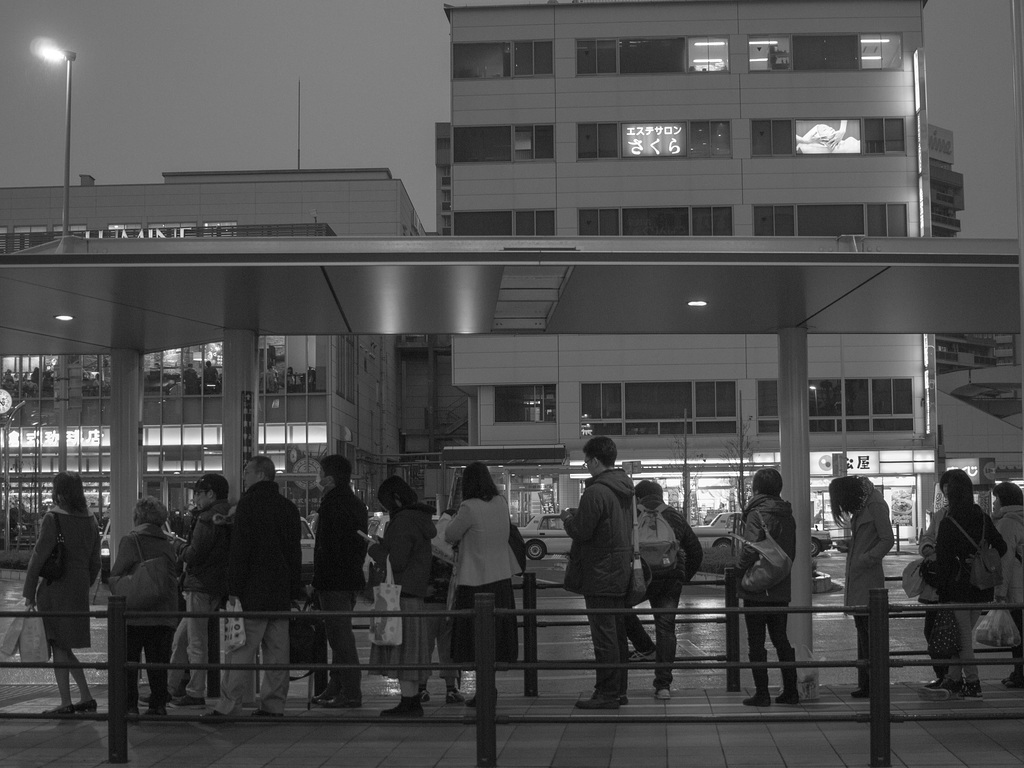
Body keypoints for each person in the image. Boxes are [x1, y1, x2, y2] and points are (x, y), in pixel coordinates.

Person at [203, 456, 303, 719]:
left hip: (252, 592)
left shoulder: (248, 506)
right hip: (280, 592)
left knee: (240, 652)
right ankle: (273, 705)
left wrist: (233, 588)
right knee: (278, 655)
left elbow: (240, 552)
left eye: (247, 471)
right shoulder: (288, 508)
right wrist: (295, 589)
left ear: (260, 474)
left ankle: (228, 705)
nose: (244, 476)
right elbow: (294, 553)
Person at [921, 470, 1007, 701]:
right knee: (961, 636)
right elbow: (1002, 547)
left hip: (956, 588)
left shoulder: (949, 523)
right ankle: (954, 680)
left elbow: (944, 562)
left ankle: (973, 683)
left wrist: (940, 588)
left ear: (951, 494)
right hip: (980, 587)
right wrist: (980, 557)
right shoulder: (982, 518)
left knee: (963, 640)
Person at [562, 435, 633, 710]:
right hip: (620, 570)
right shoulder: (625, 487)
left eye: (586, 460)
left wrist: (568, 518)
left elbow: (582, 531)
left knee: (604, 635)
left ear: (593, 460)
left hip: (600, 572)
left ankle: (607, 693)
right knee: (616, 634)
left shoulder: (596, 492)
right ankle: (619, 690)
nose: (585, 465)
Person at [23, 472, 101, 715]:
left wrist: (29, 593)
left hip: (55, 588)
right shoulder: (91, 519)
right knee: (64, 645)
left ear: (60, 492)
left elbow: (38, 558)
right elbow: (96, 562)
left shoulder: (53, 518)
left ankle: (67, 702)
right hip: (78, 585)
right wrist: (83, 584)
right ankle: (85, 697)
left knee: (58, 643)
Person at [445, 462, 519, 706]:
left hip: (475, 581)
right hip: (501, 578)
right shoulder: (501, 503)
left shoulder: (468, 507)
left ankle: (484, 691)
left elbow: (450, 534)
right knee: (496, 638)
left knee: (474, 638)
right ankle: (489, 688)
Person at [623, 480, 702, 700]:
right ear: (660, 496)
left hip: (640, 578)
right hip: (669, 579)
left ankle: (645, 648)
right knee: (666, 629)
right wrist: (683, 576)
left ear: (638, 498)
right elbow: (696, 551)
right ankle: (663, 686)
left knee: (621, 609)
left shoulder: (631, 515)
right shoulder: (673, 515)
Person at [367, 476, 436, 717]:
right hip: (414, 591)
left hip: (400, 592)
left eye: (386, 503)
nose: (386, 508)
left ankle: (409, 702)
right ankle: (412, 699)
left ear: (396, 499)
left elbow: (396, 561)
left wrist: (374, 548)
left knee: (404, 650)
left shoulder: (403, 521)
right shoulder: (419, 519)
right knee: (412, 651)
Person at [109, 496, 180, 716]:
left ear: (138, 517)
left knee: (130, 662)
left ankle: (130, 706)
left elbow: (117, 573)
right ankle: (158, 705)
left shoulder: (131, 541)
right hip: (163, 612)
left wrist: (116, 583)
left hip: (136, 613)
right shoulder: (168, 544)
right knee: (158, 662)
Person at [167, 474, 233, 708]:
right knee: (181, 638)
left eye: (198, 493)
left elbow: (195, 553)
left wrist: (178, 546)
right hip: (216, 584)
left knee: (195, 642)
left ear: (211, 494)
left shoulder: (206, 519)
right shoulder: (228, 514)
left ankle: (195, 692)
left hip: (200, 584)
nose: (195, 497)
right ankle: (170, 688)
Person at [735, 468, 799, 707]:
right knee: (781, 638)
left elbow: (750, 548)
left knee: (756, 642)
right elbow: (790, 550)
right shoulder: (787, 513)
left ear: (757, 488)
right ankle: (791, 691)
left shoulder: (756, 512)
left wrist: (739, 571)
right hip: (780, 584)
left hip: (757, 585)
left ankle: (762, 694)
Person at [310, 454, 368, 709]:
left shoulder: (332, 504)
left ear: (329, 478)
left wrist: (317, 581)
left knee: (340, 637)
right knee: (339, 635)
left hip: (333, 580)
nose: (318, 478)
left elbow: (326, 548)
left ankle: (351, 691)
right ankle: (336, 685)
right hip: (351, 577)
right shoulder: (355, 503)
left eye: (320, 474)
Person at [828, 475, 894, 698]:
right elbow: (873, 538)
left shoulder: (874, 503)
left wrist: (866, 557)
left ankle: (872, 684)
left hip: (868, 577)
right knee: (863, 632)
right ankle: (867, 683)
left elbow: (887, 539)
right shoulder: (865, 503)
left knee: (869, 633)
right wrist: (853, 546)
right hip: (860, 575)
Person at [917, 469, 959, 689]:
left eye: (949, 486)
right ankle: (944, 676)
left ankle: (953, 678)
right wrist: (928, 550)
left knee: (954, 634)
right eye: (944, 486)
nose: (946, 490)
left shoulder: (974, 514)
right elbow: (927, 537)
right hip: (937, 585)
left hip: (958, 586)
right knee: (931, 630)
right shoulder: (941, 514)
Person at [420, 507, 464, 704]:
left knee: (424, 647)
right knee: (448, 649)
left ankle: (421, 688)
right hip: (449, 603)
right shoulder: (458, 545)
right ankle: (450, 689)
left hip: (427, 604)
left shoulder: (429, 544)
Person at [991, 481, 1023, 689]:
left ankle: (1019, 674)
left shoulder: (1007, 523)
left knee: (1017, 636)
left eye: (996, 498)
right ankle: (1018, 672)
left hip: (1016, 590)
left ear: (1003, 500)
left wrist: (999, 593)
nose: (993, 503)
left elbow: (1005, 560)